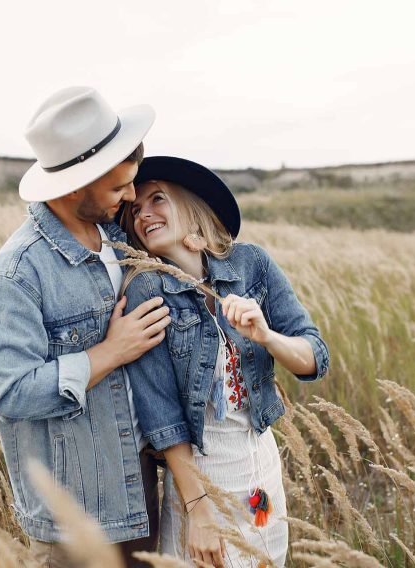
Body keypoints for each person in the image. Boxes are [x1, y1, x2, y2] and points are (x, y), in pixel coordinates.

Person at [0, 87, 172, 567]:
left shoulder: (118, 240)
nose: (130, 195)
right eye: (118, 187)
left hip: (139, 485)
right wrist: (111, 351)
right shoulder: (15, 275)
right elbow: (12, 393)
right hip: (76, 512)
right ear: (72, 187)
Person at [119, 157, 330, 567]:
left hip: (260, 469)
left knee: (265, 559)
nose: (143, 213)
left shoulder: (252, 265)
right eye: (135, 209)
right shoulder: (147, 290)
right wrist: (199, 511)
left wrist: (266, 336)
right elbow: (162, 418)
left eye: (156, 199)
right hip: (202, 476)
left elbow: (313, 358)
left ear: (190, 206)